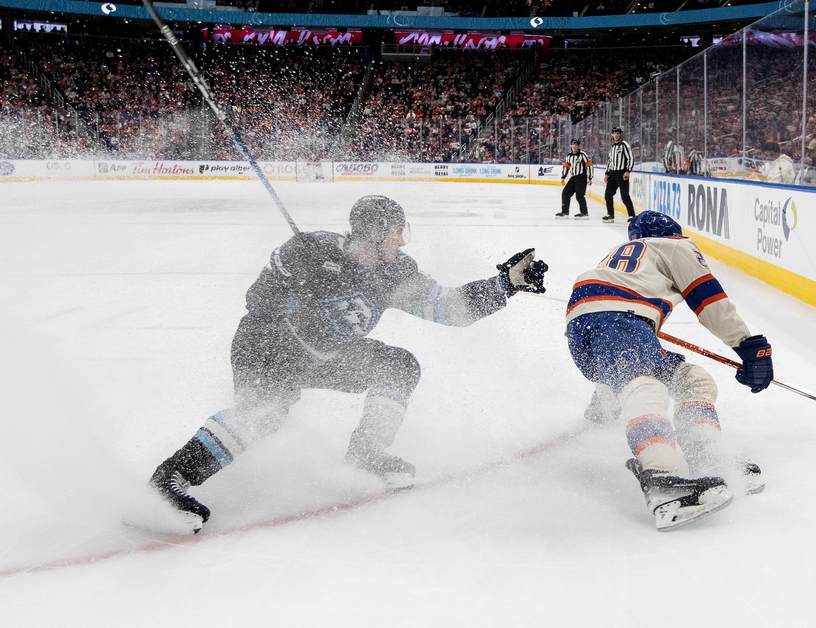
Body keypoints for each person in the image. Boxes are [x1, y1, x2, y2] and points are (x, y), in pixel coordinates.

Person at [148, 195, 549, 533]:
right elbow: (258, 301)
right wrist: (296, 294)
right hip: (268, 344)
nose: (401, 241)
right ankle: (169, 480)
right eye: (396, 232)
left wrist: (505, 285)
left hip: (323, 355)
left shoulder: (396, 272)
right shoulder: (311, 250)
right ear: (374, 230)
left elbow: (448, 308)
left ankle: (366, 452)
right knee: (267, 413)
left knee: (398, 365)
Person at [565, 211, 773, 531]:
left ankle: (705, 454)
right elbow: (707, 298)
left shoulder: (623, 257)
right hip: (619, 317)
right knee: (646, 383)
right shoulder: (674, 245)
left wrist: (605, 394)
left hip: (585, 324)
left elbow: (612, 338)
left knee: (691, 379)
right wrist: (749, 345)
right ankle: (662, 483)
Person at [602, 126, 635, 223]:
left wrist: (628, 171)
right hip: (613, 173)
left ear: (620, 134)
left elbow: (630, 158)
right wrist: (607, 173)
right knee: (608, 194)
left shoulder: (624, 145)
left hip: (622, 173)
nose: (616, 135)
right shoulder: (613, 147)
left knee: (624, 195)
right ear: (612, 135)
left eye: (617, 133)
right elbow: (610, 161)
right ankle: (610, 214)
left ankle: (632, 215)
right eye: (614, 133)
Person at [556, 137, 593, 220]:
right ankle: (565, 212)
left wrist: (590, 177)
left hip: (581, 177)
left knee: (579, 195)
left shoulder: (582, 155)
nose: (574, 146)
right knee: (565, 193)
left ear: (578, 146)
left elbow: (589, 165)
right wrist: (563, 177)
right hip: (573, 178)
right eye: (573, 145)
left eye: (576, 145)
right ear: (570, 146)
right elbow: (566, 167)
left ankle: (584, 212)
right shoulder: (569, 156)